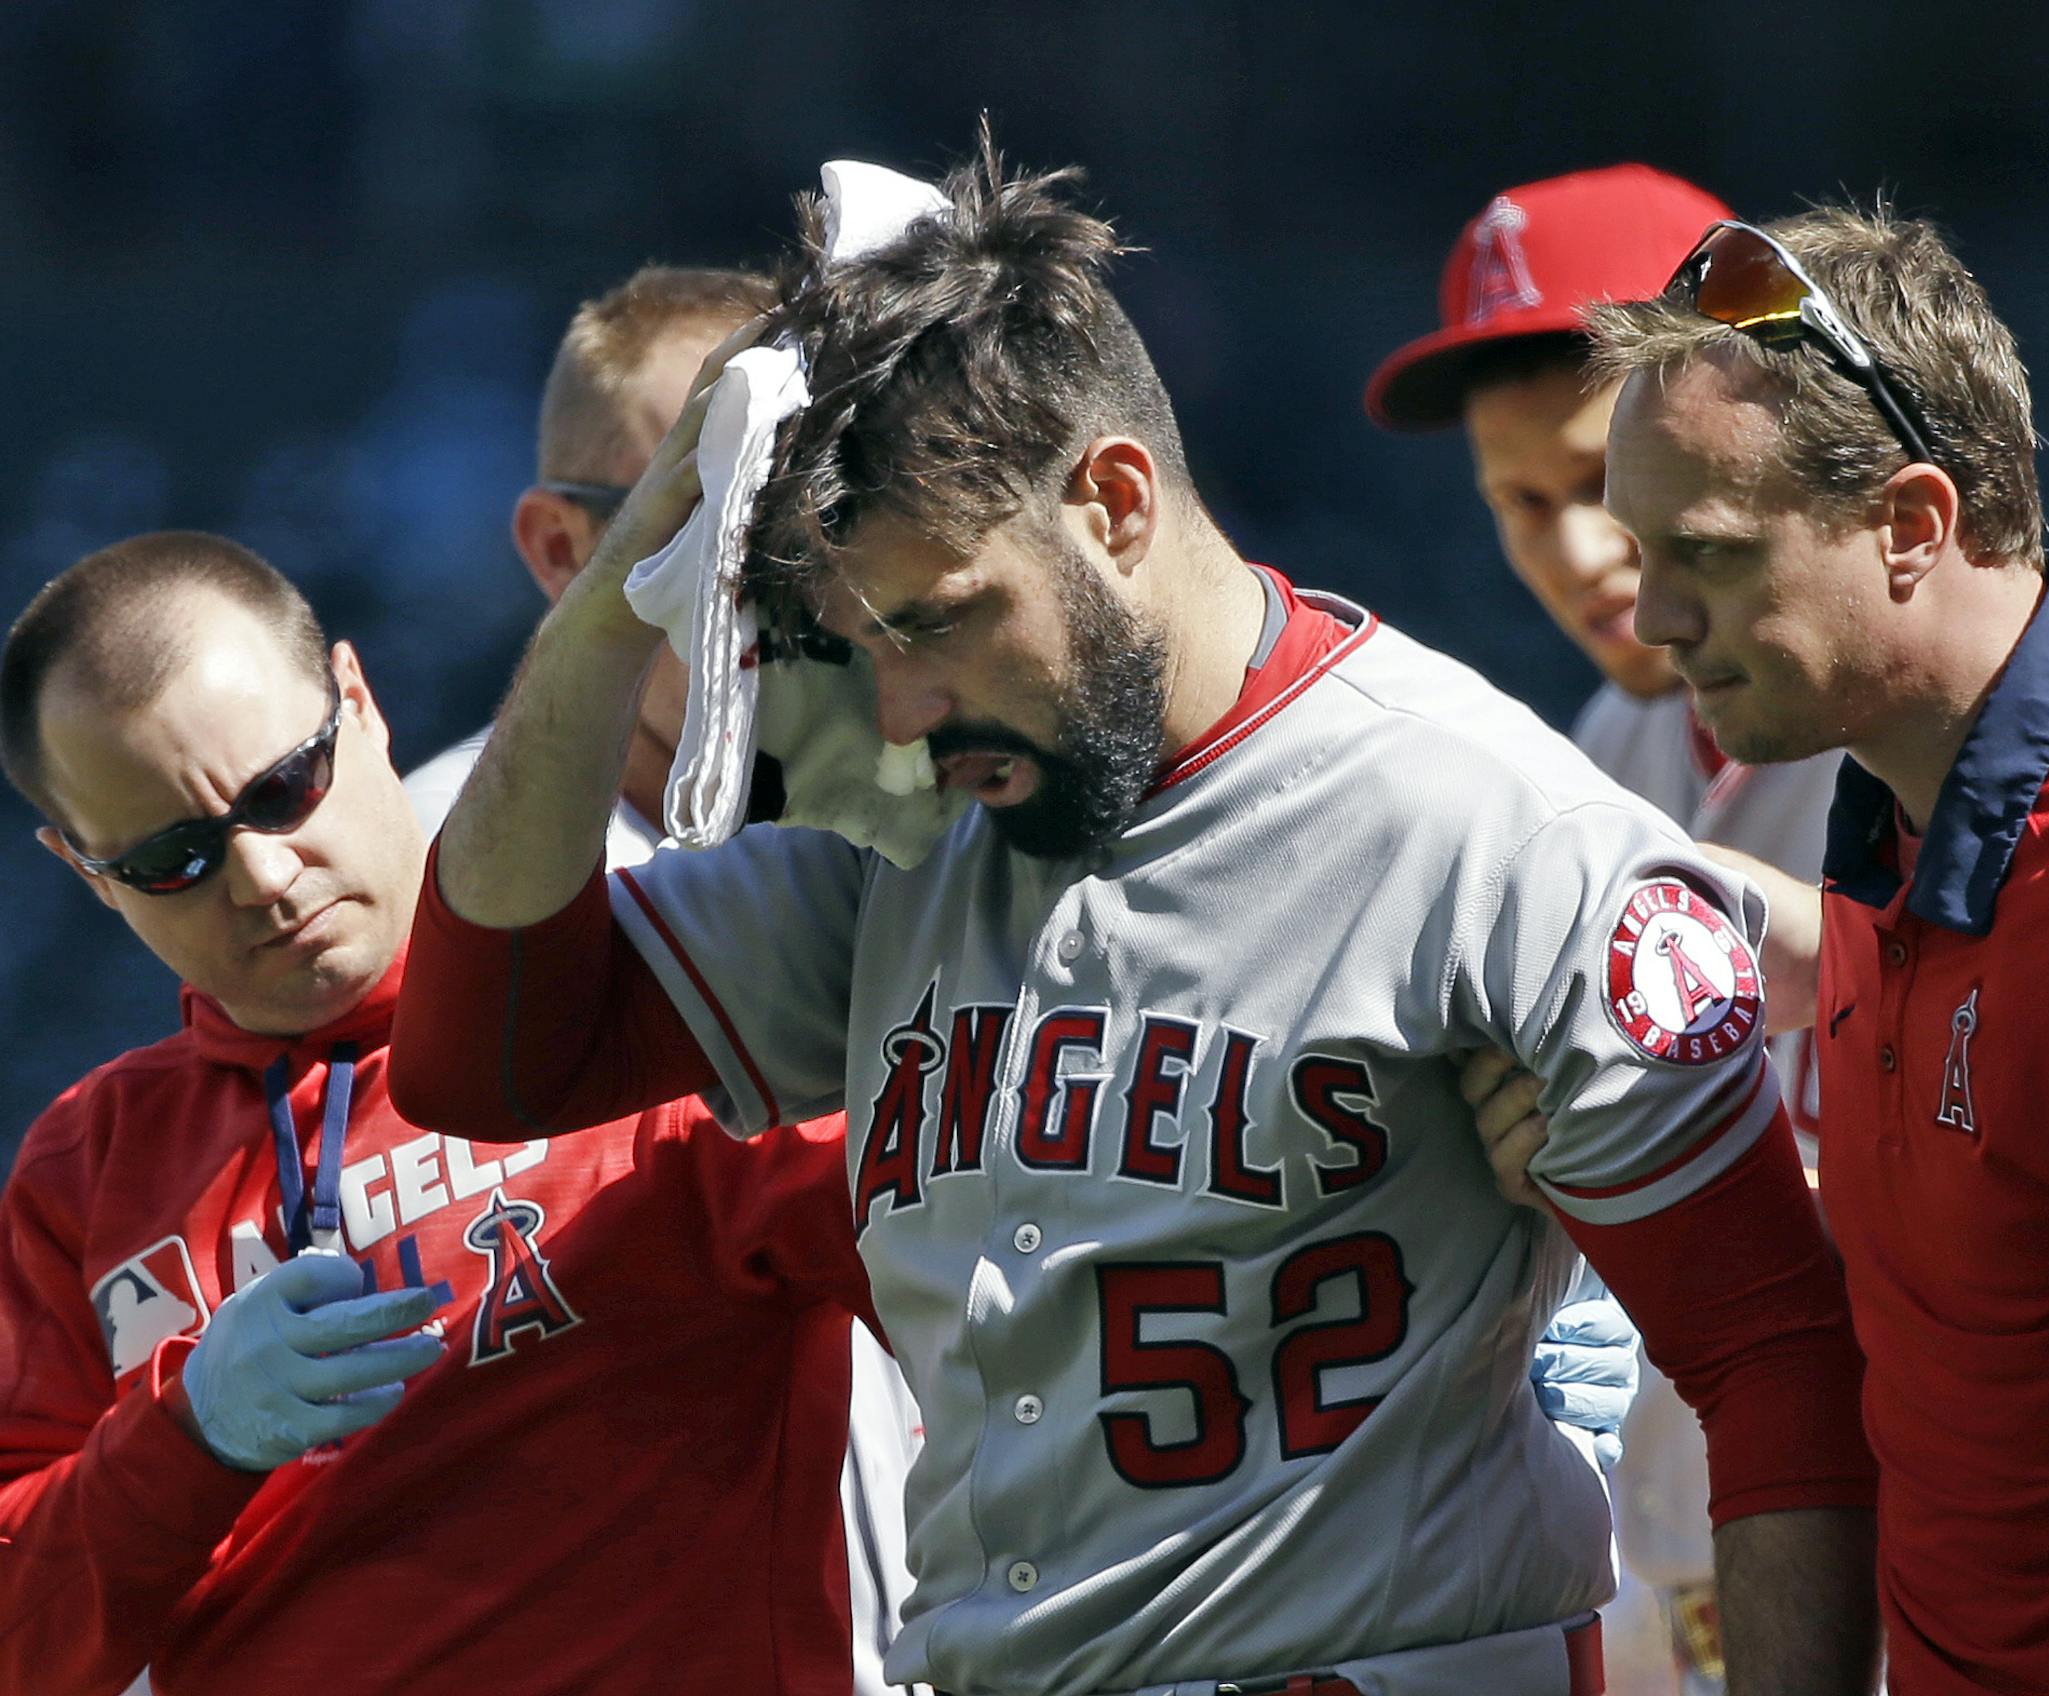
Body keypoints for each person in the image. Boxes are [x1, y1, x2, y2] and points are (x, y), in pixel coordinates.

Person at [391, 139, 1881, 1696]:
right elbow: (485, 1057)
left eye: (944, 617)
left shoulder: (1484, 819)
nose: (898, 702)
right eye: (868, 637)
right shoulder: (916, 825)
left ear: (1110, 503)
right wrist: (639, 548)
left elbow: (1772, 1363)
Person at [0, 531, 872, 1694]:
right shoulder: (85, 1166)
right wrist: (188, 1433)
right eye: (173, 857)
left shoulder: (654, 1002)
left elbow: (1006, 1279)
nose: (263, 875)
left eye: (281, 787)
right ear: (85, 872)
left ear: (358, 702)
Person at [1581, 206, 2049, 1691]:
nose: (1651, 615)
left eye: (1704, 552)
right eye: (1642, 551)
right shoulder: (1894, 833)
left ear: (1911, 525)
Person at [401, 263, 925, 1696]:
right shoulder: (418, 902)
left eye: (813, 508)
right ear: (567, 548)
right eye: (707, 517)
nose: (776, 575)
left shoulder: (935, 806)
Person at [1365, 164, 1848, 1696]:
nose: (1576, 558)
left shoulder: (1907, 739)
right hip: (1679, 1592)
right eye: (1522, 505)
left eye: (1598, 486)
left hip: (1925, 1574)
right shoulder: (1597, 755)